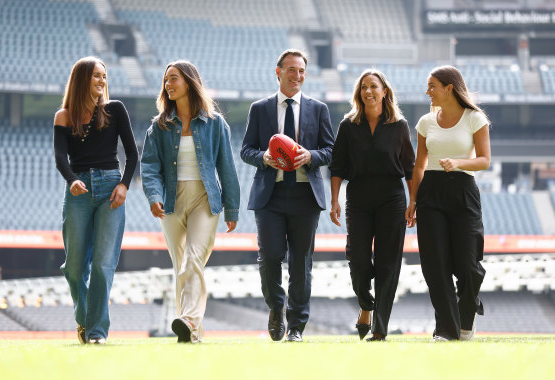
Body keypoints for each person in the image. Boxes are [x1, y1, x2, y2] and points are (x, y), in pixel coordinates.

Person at [141, 60, 240, 343]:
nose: (168, 85)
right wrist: (154, 196)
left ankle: (188, 320)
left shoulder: (215, 123)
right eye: (166, 80)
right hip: (171, 201)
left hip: (205, 199)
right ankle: (192, 331)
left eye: (173, 79)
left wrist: (232, 207)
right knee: (180, 264)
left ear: (189, 82)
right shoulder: (158, 127)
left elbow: (227, 167)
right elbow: (149, 167)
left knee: (193, 260)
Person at [241, 49, 334, 342]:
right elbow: (246, 150)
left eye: (302, 71)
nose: (297, 76)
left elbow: (331, 150)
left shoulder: (319, 109)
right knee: (270, 257)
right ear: (278, 71)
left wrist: (311, 155)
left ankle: (296, 326)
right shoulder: (260, 108)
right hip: (270, 195)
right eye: (292, 70)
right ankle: (276, 307)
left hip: (306, 194)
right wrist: (264, 157)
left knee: (301, 263)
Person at [53, 56, 138, 344]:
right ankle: (85, 319)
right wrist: (72, 179)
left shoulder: (115, 110)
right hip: (79, 191)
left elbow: (132, 153)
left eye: (104, 76)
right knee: (75, 268)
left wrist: (125, 185)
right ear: (81, 79)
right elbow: (59, 157)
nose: (102, 80)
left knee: (103, 264)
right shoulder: (63, 116)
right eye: (96, 76)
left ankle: (97, 333)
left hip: (111, 189)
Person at [405, 65, 490, 341]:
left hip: (463, 190)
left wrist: (458, 162)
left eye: (432, 86)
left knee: (468, 265)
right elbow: (419, 165)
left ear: (449, 88)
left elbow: (484, 160)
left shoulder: (475, 118)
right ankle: (445, 329)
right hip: (430, 193)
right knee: (435, 265)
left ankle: (467, 317)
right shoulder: (425, 123)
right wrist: (413, 200)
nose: (427, 91)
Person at [329, 69, 414, 341]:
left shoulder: (399, 126)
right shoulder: (348, 125)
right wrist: (334, 201)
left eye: (373, 86)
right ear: (359, 93)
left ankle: (380, 328)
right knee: (358, 259)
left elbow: (410, 168)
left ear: (384, 91)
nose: (368, 91)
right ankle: (366, 303)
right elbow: (338, 166)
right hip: (359, 197)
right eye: (363, 87)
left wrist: (414, 202)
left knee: (389, 264)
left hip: (392, 197)